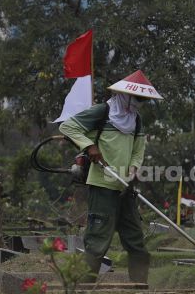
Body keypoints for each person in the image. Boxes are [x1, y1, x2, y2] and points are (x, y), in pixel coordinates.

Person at [59, 70, 163, 283]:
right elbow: (67, 126)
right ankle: (83, 292)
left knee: (136, 240)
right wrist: (90, 146)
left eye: (143, 100)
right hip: (102, 184)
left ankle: (140, 288)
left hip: (126, 188)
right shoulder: (103, 111)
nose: (139, 103)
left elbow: (138, 150)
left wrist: (133, 169)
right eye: (138, 98)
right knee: (97, 240)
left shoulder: (136, 120)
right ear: (125, 95)